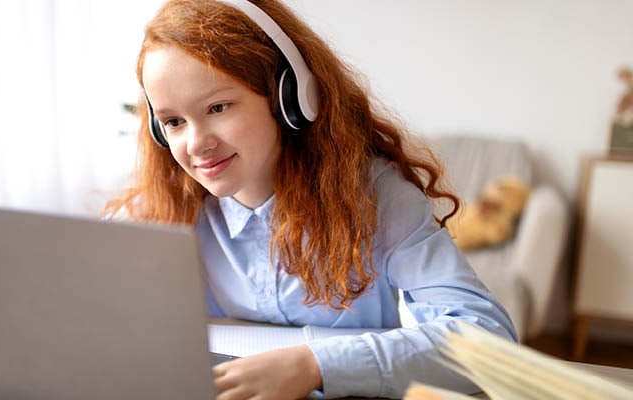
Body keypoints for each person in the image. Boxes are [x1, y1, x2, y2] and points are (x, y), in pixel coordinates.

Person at [104, 0, 517, 398]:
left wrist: (314, 366)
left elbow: (486, 339)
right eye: (173, 122)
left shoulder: (375, 196)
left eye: (218, 107)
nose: (196, 144)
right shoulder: (164, 207)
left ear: (291, 100)